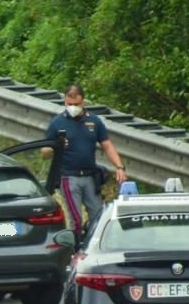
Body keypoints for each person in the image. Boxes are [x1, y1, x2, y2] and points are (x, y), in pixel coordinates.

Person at [43, 84, 127, 243]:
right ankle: (75, 248)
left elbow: (107, 145)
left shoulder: (94, 121)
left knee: (99, 216)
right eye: (69, 104)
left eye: (76, 104)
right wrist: (56, 146)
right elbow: (44, 152)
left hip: (90, 176)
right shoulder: (57, 123)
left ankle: (94, 244)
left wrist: (119, 166)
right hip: (68, 177)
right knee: (76, 219)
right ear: (65, 102)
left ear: (83, 102)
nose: (73, 107)